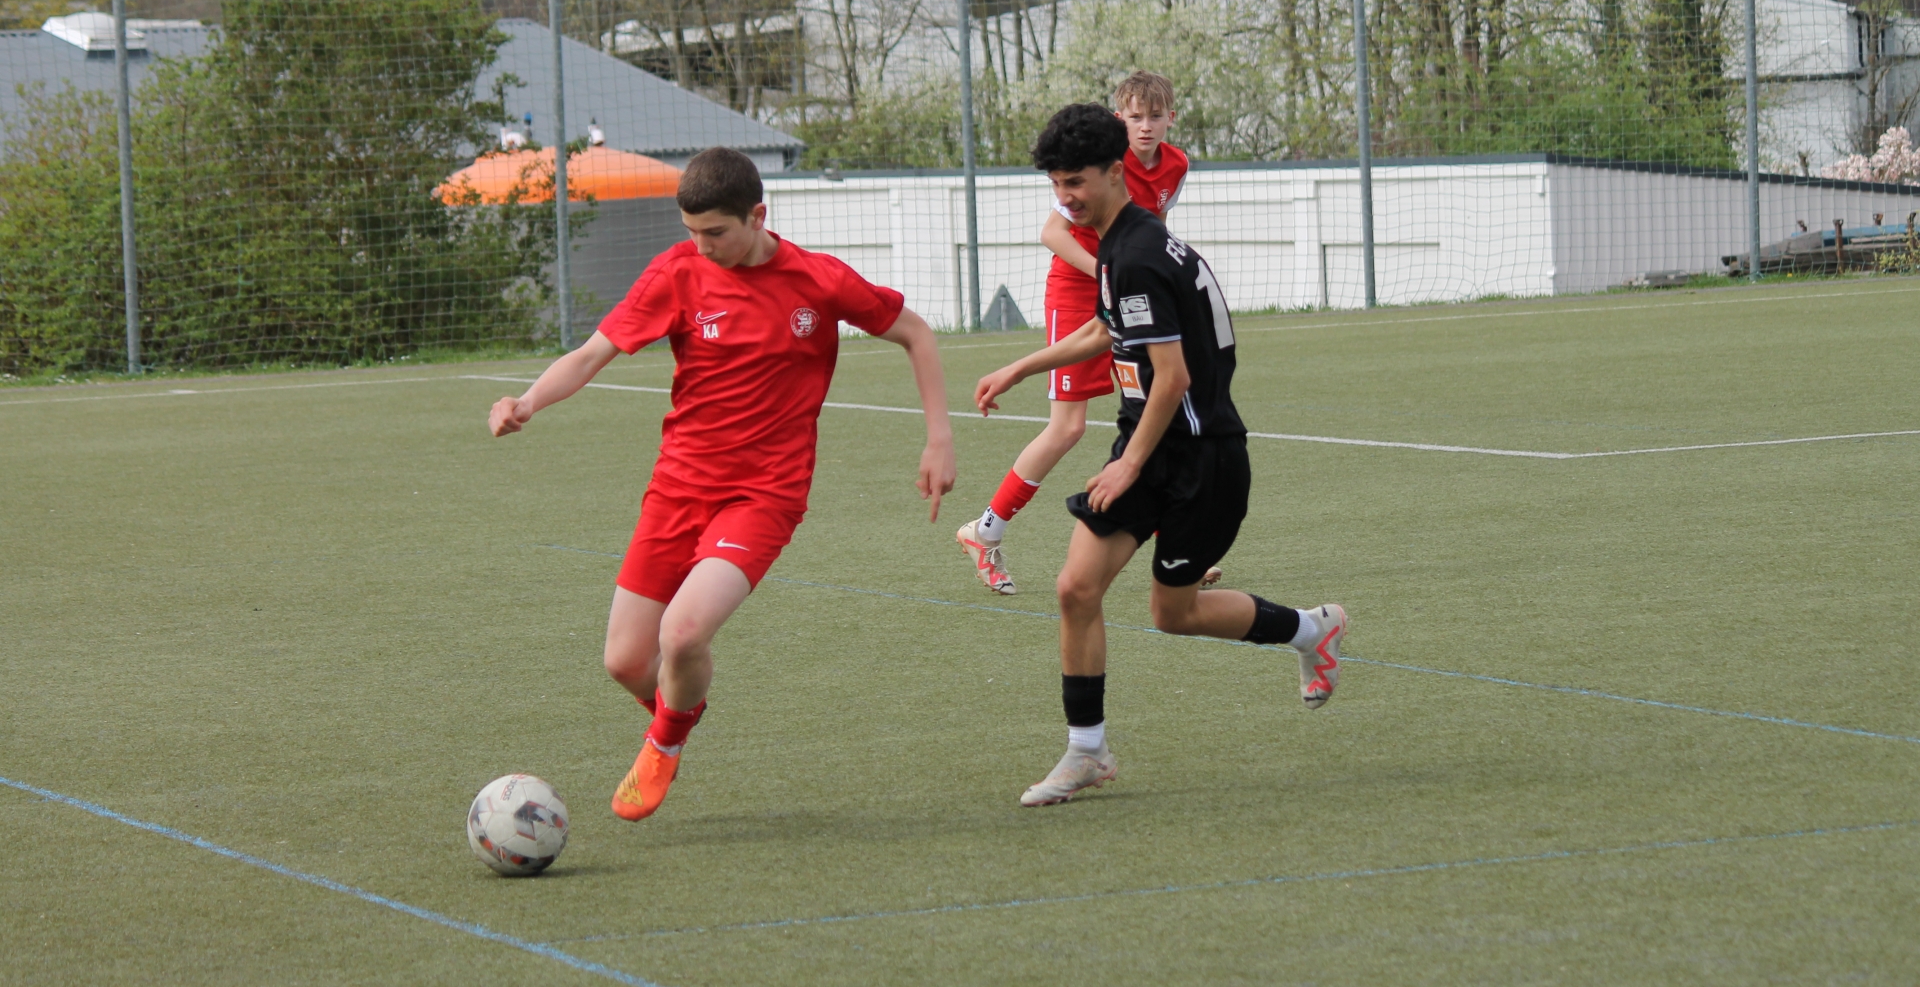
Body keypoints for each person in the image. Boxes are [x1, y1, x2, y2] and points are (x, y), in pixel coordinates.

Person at [489, 147, 956, 821]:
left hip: (764, 494)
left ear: (758, 215)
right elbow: (593, 353)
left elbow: (915, 331)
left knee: (681, 635)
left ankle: (665, 745)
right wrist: (528, 402)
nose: (701, 247)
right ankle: (684, 709)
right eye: (690, 233)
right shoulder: (677, 273)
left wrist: (939, 436)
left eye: (716, 233)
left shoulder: (818, 281)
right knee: (624, 661)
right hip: (677, 487)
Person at [972, 105, 1347, 807]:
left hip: (1200, 460)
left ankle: (1311, 629)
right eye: (1057, 185)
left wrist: (1128, 464)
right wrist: (1022, 368)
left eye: (1077, 183)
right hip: (1148, 443)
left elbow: (1173, 378)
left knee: (1173, 613)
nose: (1067, 199)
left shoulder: (1138, 254)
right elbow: (1106, 329)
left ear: (1117, 172)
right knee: (1075, 589)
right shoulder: (1121, 242)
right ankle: (1087, 752)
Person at [956, 71, 1217, 595]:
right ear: (1120, 119)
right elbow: (1053, 232)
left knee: (1150, 410)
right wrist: (1108, 269)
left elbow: (1154, 223)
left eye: (1154, 115)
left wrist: (1145, 274)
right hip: (1078, 293)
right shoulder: (1097, 162)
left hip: (1127, 291)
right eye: (1134, 116)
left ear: (1172, 117)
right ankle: (985, 531)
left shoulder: (1177, 164)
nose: (1145, 127)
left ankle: (1171, 541)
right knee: (1067, 428)